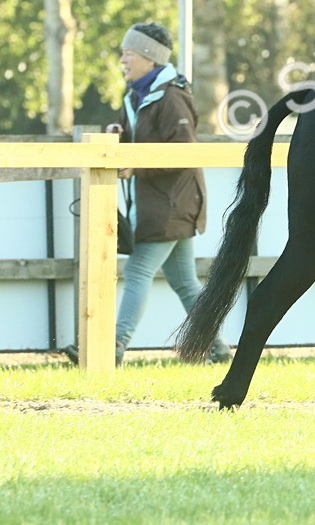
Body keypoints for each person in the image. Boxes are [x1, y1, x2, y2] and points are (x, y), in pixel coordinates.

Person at [63, 22, 232, 366]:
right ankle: (216, 349)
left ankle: (111, 347)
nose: (122, 59)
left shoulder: (171, 97)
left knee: (138, 271)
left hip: (171, 205)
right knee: (185, 283)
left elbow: (183, 152)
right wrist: (119, 135)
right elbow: (144, 141)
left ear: (148, 58)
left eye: (128, 53)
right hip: (162, 204)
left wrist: (135, 166)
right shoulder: (138, 95)